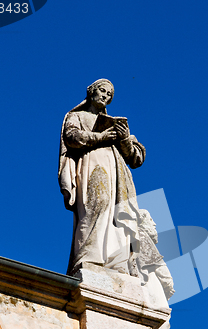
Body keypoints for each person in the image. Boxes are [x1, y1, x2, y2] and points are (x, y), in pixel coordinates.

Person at [58, 79, 146, 276]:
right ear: (91, 91)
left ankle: (117, 262)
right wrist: (101, 137)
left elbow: (136, 158)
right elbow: (72, 138)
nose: (106, 95)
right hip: (92, 164)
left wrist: (123, 139)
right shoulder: (76, 116)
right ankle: (88, 257)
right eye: (103, 91)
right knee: (97, 204)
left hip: (118, 173)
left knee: (118, 213)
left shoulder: (115, 125)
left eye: (110, 94)